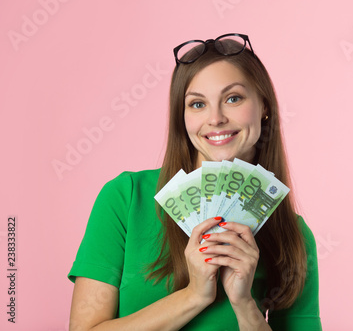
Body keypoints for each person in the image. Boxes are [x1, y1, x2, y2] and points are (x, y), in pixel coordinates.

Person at [68, 33, 322, 330]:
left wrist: (244, 305)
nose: (215, 119)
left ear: (264, 106)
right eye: (197, 104)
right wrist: (194, 296)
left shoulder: (294, 236)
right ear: (182, 116)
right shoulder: (126, 198)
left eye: (233, 98)